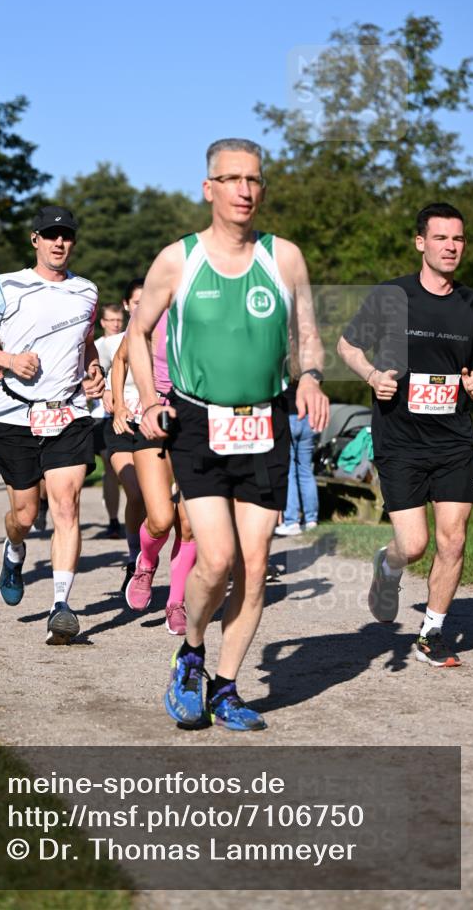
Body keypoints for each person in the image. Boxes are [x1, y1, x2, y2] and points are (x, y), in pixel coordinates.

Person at [128, 137, 329, 730]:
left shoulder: (284, 257)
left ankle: (226, 686)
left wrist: (311, 376)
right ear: (208, 187)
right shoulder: (178, 260)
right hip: (198, 422)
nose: (246, 190)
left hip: (265, 422)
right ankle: (190, 651)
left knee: (255, 561)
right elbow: (139, 333)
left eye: (255, 180)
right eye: (233, 179)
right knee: (214, 559)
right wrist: (146, 398)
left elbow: (308, 334)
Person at [338, 202, 473, 667]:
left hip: (455, 439)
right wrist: (370, 374)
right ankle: (388, 565)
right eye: (441, 238)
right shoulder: (391, 296)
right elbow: (348, 344)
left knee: (454, 539)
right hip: (400, 439)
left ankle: (431, 634)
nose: (450, 247)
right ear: (421, 242)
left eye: (457, 239)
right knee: (414, 545)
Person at [0, 205, 105, 644]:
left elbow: (85, 343)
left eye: (67, 236)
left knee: (66, 505)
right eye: (51, 235)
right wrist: (8, 360)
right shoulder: (6, 285)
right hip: (15, 415)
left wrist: (93, 370)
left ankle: (61, 605)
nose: (60, 242)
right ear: (34, 239)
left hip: (69, 413)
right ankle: (14, 549)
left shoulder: (87, 291)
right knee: (25, 513)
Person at [112, 307, 197, 634]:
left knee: (189, 524)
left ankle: (176, 603)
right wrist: (119, 403)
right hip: (154, 419)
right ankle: (145, 564)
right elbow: (120, 359)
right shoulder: (150, 314)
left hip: (196, 423)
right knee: (161, 519)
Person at [102, 280, 147, 588]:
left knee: (157, 503)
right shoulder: (114, 342)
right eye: (137, 302)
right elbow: (99, 369)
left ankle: (149, 555)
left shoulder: (166, 336)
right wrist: (106, 391)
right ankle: (135, 558)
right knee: (134, 491)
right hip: (121, 424)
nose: (143, 307)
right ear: (128, 305)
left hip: (152, 426)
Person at [92, 302, 126, 538]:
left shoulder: (129, 341)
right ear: (102, 323)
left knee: (111, 468)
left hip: (116, 414)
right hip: (94, 417)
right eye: (110, 320)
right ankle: (43, 502)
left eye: (118, 320)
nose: (115, 324)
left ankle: (114, 520)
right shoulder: (94, 348)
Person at [274, 377, 319, 535]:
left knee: (289, 471)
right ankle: (311, 519)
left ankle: (292, 521)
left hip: (288, 418)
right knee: (306, 470)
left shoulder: (283, 368)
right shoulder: (309, 372)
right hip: (308, 418)